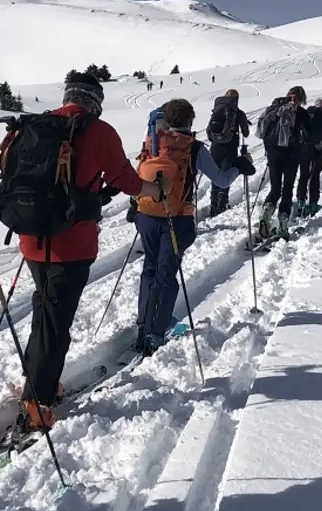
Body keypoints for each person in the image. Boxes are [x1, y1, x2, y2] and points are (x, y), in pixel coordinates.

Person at [0, 71, 167, 433]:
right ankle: (37, 402)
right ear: (94, 100)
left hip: (31, 239)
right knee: (57, 321)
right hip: (72, 245)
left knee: (45, 308)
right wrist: (152, 191)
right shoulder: (98, 131)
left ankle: (39, 383)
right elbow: (127, 180)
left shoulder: (34, 127)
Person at [132, 99, 255, 354]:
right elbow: (220, 180)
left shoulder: (153, 142)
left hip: (146, 215)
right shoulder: (194, 148)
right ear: (190, 121)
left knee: (150, 268)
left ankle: (144, 324)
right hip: (177, 219)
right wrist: (238, 167)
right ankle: (158, 331)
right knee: (167, 275)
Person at [256, 85, 311, 240]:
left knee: (275, 188)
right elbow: (310, 135)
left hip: (273, 153)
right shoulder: (302, 113)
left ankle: (266, 212)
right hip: (292, 155)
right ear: (301, 98)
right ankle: (282, 225)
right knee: (287, 190)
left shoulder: (275, 109)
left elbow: (264, 132)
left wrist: (269, 151)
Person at [205, 89, 252, 217]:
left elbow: (209, 131)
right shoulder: (238, 113)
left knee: (216, 174)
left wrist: (216, 139)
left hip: (215, 147)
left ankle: (213, 204)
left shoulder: (217, 110)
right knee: (225, 176)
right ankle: (222, 203)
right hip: (230, 148)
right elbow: (246, 133)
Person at [295, 98, 322, 218]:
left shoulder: (307, 113)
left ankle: (300, 201)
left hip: (304, 147)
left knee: (303, 174)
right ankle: (313, 203)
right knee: (315, 175)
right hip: (318, 148)